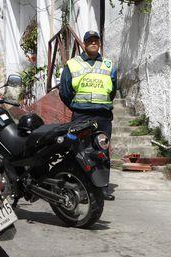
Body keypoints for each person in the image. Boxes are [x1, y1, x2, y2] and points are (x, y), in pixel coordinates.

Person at [59, 30, 117, 201]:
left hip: (102, 115)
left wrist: (99, 104)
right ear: (84, 44)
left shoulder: (109, 65)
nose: (93, 43)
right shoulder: (72, 64)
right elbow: (65, 91)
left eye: (96, 40)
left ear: (99, 43)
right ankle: (82, 187)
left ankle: (102, 188)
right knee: (80, 150)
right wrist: (78, 106)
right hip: (81, 115)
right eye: (89, 41)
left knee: (102, 150)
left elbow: (112, 90)